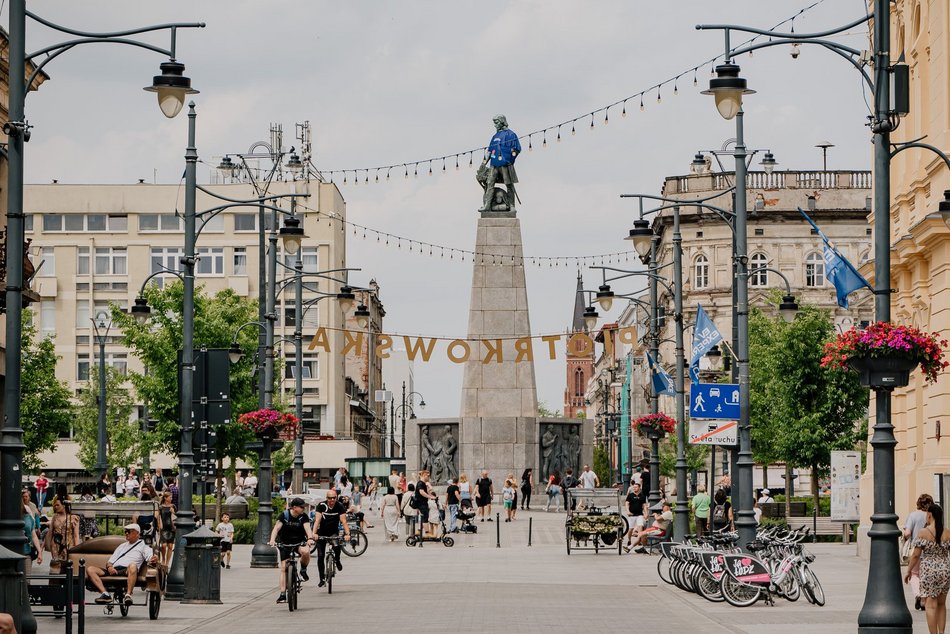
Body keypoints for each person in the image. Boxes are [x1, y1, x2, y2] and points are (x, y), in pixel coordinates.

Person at [905, 503, 950, 634]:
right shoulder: (947, 532)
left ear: (929, 515)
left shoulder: (923, 532)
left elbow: (916, 555)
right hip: (945, 570)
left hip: (929, 570)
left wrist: (909, 570)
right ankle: (942, 632)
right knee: (941, 604)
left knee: (930, 605)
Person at [86, 524, 157, 605]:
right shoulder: (122, 546)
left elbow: (150, 557)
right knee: (90, 569)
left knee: (133, 565)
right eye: (126, 531)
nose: (126, 533)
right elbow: (109, 562)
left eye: (129, 531)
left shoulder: (143, 546)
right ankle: (105, 594)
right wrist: (110, 567)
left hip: (128, 570)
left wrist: (153, 558)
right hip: (114, 570)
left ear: (137, 533)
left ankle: (128, 595)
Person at [268, 497, 316, 603]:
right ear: (294, 508)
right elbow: (276, 528)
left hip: (299, 542)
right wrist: (272, 540)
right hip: (285, 543)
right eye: (301, 507)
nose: (304, 508)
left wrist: (310, 538)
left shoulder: (303, 516)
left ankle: (303, 570)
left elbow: (307, 529)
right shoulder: (284, 515)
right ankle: (282, 594)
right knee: (284, 568)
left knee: (306, 551)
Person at [477, 114, 521, 212]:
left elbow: (516, 149)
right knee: (489, 184)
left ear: (502, 122)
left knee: (509, 184)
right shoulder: (494, 136)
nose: (495, 125)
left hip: (505, 164)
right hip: (494, 164)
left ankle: (512, 205)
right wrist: (483, 163)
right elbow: (489, 151)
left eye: (496, 122)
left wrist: (510, 160)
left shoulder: (511, 134)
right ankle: (487, 205)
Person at [312, 491, 352, 588]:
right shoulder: (321, 505)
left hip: (333, 532)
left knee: (337, 547)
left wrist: (347, 534)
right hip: (321, 532)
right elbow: (317, 520)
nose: (332, 500)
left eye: (334, 498)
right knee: (320, 556)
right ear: (327, 498)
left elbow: (343, 521)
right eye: (330, 498)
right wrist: (314, 533)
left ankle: (337, 560)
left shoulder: (339, 506)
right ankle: (321, 579)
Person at [905, 493, 936, 610]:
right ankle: (924, 600)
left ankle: (918, 595)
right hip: (930, 550)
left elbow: (907, 533)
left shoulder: (913, 515)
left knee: (914, 574)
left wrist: (907, 537)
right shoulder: (932, 516)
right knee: (925, 576)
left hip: (916, 550)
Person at [45, 497, 79, 564]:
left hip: (68, 545)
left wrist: (77, 549)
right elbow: (50, 532)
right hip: (55, 545)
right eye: (55, 505)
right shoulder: (55, 517)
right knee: (56, 566)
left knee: (68, 565)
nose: (56, 507)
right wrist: (45, 546)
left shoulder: (73, 518)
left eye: (58, 505)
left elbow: (76, 535)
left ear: (64, 505)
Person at [624, 482, 647, 548]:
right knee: (630, 529)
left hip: (640, 514)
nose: (634, 488)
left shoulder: (642, 496)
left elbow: (644, 505)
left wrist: (646, 513)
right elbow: (627, 504)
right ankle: (629, 540)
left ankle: (639, 540)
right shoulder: (630, 495)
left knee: (640, 527)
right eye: (633, 487)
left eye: (636, 487)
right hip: (632, 515)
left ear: (639, 488)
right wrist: (628, 511)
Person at [415, 470, 437, 536]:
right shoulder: (420, 483)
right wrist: (430, 497)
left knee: (425, 517)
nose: (428, 477)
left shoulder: (423, 483)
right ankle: (427, 533)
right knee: (425, 517)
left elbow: (425, 492)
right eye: (428, 476)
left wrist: (431, 493)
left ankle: (419, 530)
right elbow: (422, 492)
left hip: (423, 502)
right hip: (421, 503)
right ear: (424, 475)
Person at [22, 502, 42, 576]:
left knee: (27, 579)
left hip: (27, 552)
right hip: (12, 553)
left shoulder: (28, 517)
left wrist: (39, 552)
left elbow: (34, 536)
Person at [158, 491, 177, 565]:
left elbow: (177, 517)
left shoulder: (173, 506)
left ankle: (167, 563)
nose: (171, 498)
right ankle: (163, 559)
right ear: (165, 498)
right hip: (164, 528)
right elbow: (158, 517)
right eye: (170, 497)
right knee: (163, 545)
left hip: (171, 528)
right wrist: (159, 526)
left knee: (170, 546)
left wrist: (173, 512)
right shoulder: (161, 507)